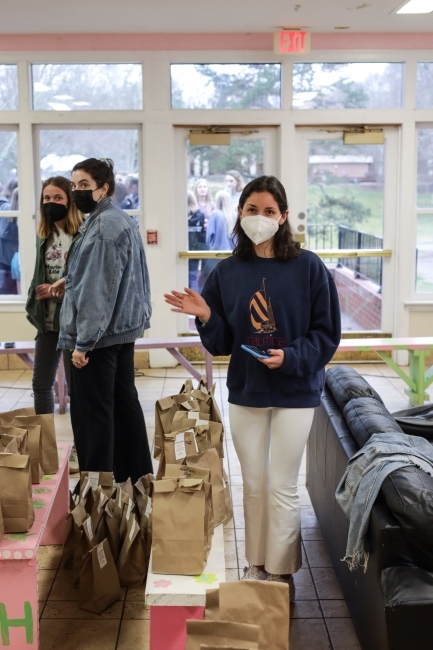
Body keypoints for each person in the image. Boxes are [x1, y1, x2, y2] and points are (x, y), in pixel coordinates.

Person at [165, 175, 341, 600]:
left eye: (268, 211)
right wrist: (207, 316)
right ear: (239, 214)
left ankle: (281, 573)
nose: (259, 218)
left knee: (282, 484)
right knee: (255, 483)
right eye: (251, 209)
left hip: (295, 393)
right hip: (247, 392)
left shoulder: (309, 267)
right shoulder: (226, 273)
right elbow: (222, 343)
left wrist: (293, 357)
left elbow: (327, 333)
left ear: (282, 217)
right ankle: (256, 565)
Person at [53, 158, 153, 484]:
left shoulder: (103, 227)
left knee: (92, 416)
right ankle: (136, 483)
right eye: (74, 185)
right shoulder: (116, 219)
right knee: (124, 407)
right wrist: (68, 282)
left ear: (104, 187)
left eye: (84, 185)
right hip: (120, 332)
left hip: (98, 338)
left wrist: (84, 343)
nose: (76, 191)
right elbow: (110, 279)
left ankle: (95, 496)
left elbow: (99, 291)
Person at [25, 176, 83, 472]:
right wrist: (37, 295)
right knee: (40, 384)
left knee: (77, 389)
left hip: (73, 323)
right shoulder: (43, 237)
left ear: (69, 201)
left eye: (57, 198)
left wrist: (59, 287)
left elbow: (85, 278)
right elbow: (40, 274)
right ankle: (45, 448)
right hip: (46, 323)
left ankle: (81, 449)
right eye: (46, 198)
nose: (51, 203)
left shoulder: (82, 234)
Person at [187, 190, 206, 291]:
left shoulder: (179, 215)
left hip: (184, 248)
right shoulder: (200, 215)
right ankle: (195, 300)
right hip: (196, 249)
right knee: (193, 276)